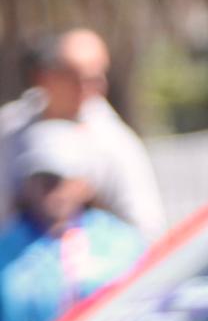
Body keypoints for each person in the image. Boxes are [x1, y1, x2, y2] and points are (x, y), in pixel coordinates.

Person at [0, 29, 166, 240]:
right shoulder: (11, 127)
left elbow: (145, 227)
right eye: (74, 77)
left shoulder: (115, 142)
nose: (88, 88)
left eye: (96, 78)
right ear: (44, 76)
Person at [0, 119, 145, 321]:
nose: (49, 190)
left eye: (58, 179)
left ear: (85, 184)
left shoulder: (122, 244)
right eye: (39, 178)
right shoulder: (7, 249)